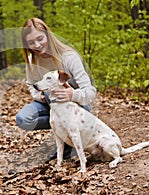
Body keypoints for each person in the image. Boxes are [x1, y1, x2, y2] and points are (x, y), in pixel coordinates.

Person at [15, 18, 97, 161]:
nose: (37, 45)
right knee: (23, 119)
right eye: (31, 42)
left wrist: (72, 94)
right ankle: (65, 132)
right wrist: (38, 96)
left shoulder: (68, 57)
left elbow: (90, 92)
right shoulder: (32, 60)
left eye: (40, 38)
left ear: (48, 35)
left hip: (76, 105)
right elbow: (31, 84)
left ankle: (70, 139)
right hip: (49, 102)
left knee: (60, 101)